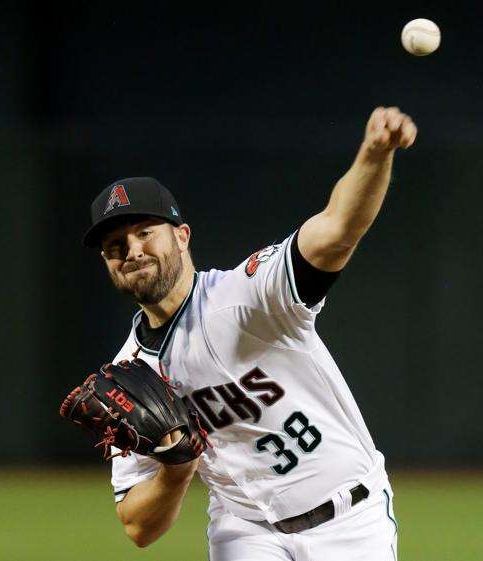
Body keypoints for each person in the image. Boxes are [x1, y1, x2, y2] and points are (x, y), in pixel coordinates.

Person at [82, 106, 416, 560]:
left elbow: (337, 229)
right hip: (244, 531)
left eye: (145, 233)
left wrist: (374, 155)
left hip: (349, 519)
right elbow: (138, 527)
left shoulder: (247, 295)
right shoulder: (128, 376)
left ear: (181, 237)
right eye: (115, 247)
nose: (133, 251)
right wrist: (176, 469)